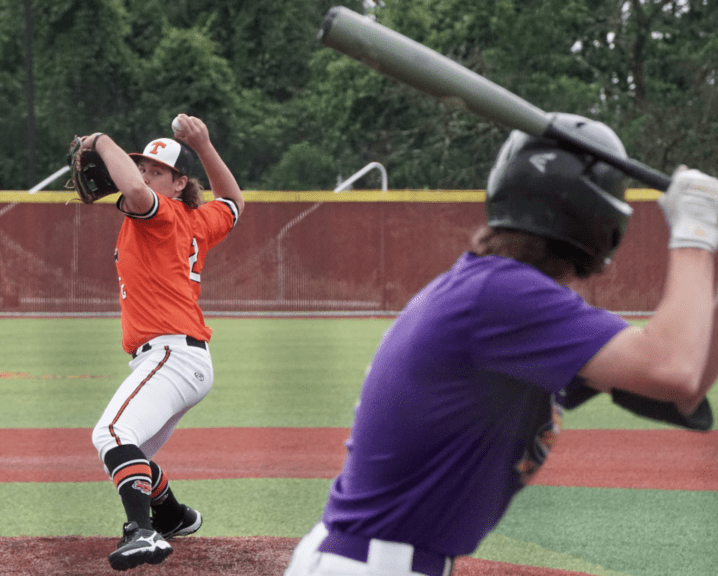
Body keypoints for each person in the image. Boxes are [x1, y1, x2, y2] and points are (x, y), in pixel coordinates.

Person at [284, 113, 718, 576]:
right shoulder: (501, 296)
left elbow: (681, 389)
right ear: (601, 218)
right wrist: (695, 233)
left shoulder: (505, 300)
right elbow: (672, 367)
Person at [83, 114, 244, 571]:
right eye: (143, 167)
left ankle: (143, 532)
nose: (144, 175)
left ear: (178, 184)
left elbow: (133, 192)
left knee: (112, 434)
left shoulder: (156, 213)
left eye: (157, 171)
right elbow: (232, 200)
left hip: (171, 354)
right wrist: (206, 144)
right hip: (183, 358)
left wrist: (100, 139)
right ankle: (173, 515)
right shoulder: (199, 218)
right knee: (133, 456)